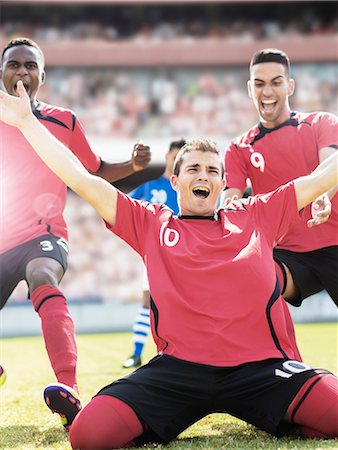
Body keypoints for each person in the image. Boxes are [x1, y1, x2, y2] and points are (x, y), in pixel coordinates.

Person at [1, 85, 337, 447]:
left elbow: (320, 179)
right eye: (193, 169)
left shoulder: (257, 213)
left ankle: (280, 414)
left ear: (223, 183)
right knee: (89, 435)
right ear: (175, 181)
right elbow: (80, 177)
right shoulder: (151, 223)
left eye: (212, 171)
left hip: (262, 369)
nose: (203, 176)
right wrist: (26, 122)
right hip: (178, 372)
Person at [0, 37, 151, 430]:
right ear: (2, 73)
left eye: (29, 66)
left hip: (42, 233)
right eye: (13, 65)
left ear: (42, 76)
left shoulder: (63, 121)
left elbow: (93, 171)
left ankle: (68, 389)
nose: (21, 73)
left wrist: (131, 164)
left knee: (43, 277)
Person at [222, 48, 338, 308]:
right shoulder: (239, 148)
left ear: (290, 86)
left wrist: (322, 196)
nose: (267, 91)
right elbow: (230, 203)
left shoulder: (321, 123)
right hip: (288, 255)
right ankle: (270, 350)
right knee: (248, 279)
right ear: (250, 89)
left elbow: (331, 167)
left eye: (276, 82)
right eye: (260, 84)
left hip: (335, 241)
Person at [123, 138, 186, 369]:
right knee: (148, 300)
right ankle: (137, 353)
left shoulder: (187, 188)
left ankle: (184, 354)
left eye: (181, 158)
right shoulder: (151, 186)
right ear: (168, 156)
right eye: (173, 156)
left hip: (185, 255)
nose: (175, 160)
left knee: (184, 304)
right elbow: (125, 206)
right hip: (155, 254)